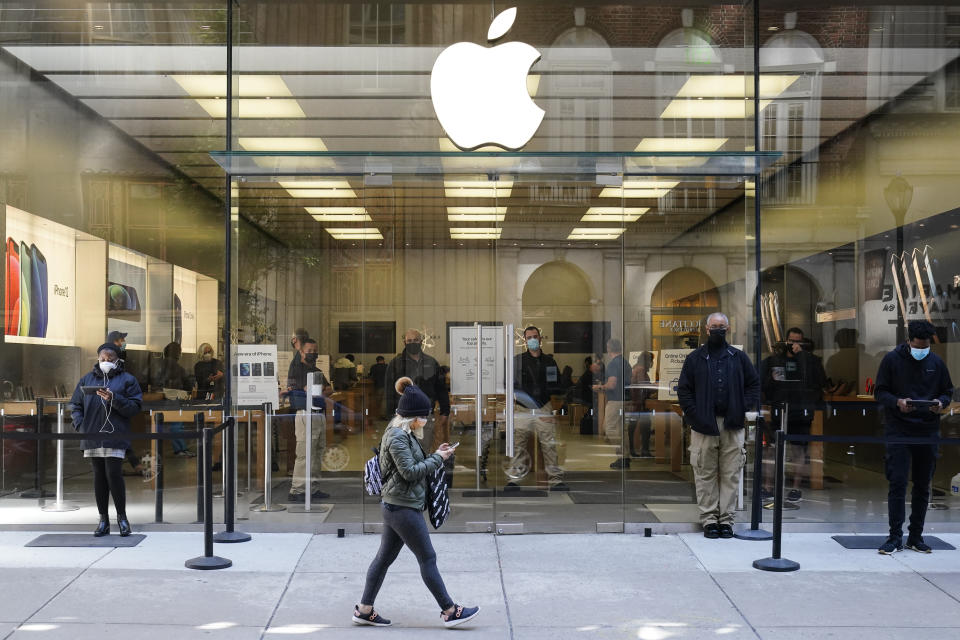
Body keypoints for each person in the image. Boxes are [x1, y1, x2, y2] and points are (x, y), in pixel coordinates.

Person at [353, 376, 480, 629]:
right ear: (413, 417)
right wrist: (438, 458)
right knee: (427, 558)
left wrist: (436, 453)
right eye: (424, 416)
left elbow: (413, 464)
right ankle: (449, 611)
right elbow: (410, 472)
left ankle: (364, 609)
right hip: (402, 508)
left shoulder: (404, 433)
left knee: (383, 559)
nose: (427, 420)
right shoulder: (398, 437)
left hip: (396, 506)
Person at [677, 312, 759, 539]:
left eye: (721, 326)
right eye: (714, 326)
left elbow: (754, 385)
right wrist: (694, 415)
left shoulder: (738, 357)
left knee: (731, 474)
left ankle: (726, 520)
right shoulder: (695, 358)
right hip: (704, 425)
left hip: (733, 425)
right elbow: (684, 390)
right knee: (704, 474)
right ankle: (709, 520)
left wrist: (742, 407)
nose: (718, 330)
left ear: (728, 328)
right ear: (706, 329)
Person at [874, 320, 954, 554]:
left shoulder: (936, 362)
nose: (922, 350)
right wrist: (897, 402)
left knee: (922, 485)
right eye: (919, 345)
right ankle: (894, 537)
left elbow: (947, 391)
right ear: (909, 341)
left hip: (928, 430)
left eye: (926, 346)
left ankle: (916, 536)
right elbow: (880, 391)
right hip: (898, 428)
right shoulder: (891, 360)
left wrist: (940, 403)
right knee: (897, 482)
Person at [70, 342, 143, 537]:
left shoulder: (128, 380)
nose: (106, 361)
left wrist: (114, 398)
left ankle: (122, 518)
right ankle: (103, 519)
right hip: (92, 434)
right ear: (98, 358)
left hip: (115, 433)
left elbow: (135, 407)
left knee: (114, 474)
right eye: (103, 358)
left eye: (110, 358)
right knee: (99, 476)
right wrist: (80, 425)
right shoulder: (87, 379)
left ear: (118, 359)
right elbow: (75, 404)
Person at [759, 327, 826, 503]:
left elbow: (819, 382)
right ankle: (768, 486)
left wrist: (802, 356)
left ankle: (796, 487)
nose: (794, 345)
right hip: (777, 409)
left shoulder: (811, 361)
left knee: (799, 450)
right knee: (771, 449)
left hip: (800, 411)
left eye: (798, 341)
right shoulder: (774, 361)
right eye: (791, 341)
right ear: (786, 341)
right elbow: (763, 385)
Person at [507, 326, 568, 491]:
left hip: (543, 407)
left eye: (535, 336)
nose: (532, 339)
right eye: (529, 337)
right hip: (522, 408)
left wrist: (552, 408)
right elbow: (509, 384)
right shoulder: (517, 360)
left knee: (549, 444)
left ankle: (555, 480)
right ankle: (514, 480)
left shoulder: (549, 361)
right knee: (518, 444)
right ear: (525, 341)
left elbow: (556, 386)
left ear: (540, 339)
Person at [384, 329, 450, 447]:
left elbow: (441, 388)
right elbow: (389, 391)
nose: (412, 343)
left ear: (421, 342)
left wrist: (445, 411)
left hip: (425, 415)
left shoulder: (431, 362)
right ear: (404, 342)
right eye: (409, 341)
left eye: (415, 340)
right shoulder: (396, 364)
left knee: (423, 449)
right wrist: (390, 415)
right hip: (402, 416)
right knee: (404, 451)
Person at [286, 338, 332, 502]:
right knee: (305, 453)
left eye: (315, 351)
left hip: (319, 414)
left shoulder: (316, 370)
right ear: (301, 352)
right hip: (305, 414)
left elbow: (329, 389)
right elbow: (299, 391)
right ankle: (297, 490)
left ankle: (312, 488)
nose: (313, 354)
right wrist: (312, 391)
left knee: (317, 452)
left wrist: (317, 391)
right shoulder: (296, 369)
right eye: (309, 351)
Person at [107, 330, 145, 477]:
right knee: (119, 433)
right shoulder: (109, 357)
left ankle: (131, 464)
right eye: (120, 340)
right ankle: (135, 464)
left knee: (120, 433)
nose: (122, 343)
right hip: (114, 400)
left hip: (120, 399)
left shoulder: (121, 357)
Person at [152, 342, 195, 457]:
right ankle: (180, 449)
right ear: (177, 353)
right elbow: (187, 384)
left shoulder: (158, 365)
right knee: (177, 425)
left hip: (160, 399)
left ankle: (158, 450)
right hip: (174, 399)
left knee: (158, 425)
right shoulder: (178, 367)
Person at [595, 339, 633, 469]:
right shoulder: (626, 363)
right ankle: (625, 458)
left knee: (609, 428)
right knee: (622, 430)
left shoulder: (612, 364)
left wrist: (598, 387)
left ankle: (622, 456)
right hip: (626, 400)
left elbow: (611, 384)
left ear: (608, 349)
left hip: (615, 401)